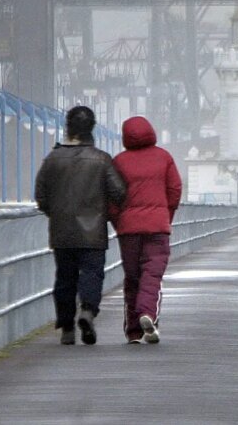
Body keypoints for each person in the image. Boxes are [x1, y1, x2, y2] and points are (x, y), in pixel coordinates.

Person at [35, 106, 126, 345]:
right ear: (92, 128)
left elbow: (41, 196)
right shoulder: (101, 159)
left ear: (68, 127)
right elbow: (119, 192)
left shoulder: (52, 159)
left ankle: (66, 326)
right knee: (92, 274)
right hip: (93, 231)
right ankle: (87, 309)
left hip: (62, 231)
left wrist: (55, 213)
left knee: (64, 277)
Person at [110, 116, 182, 344]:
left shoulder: (119, 161)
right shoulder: (164, 157)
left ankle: (133, 332)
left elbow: (111, 197)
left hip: (128, 230)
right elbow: (175, 189)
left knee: (132, 278)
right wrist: (165, 216)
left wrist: (118, 220)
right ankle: (147, 314)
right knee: (152, 275)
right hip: (157, 229)